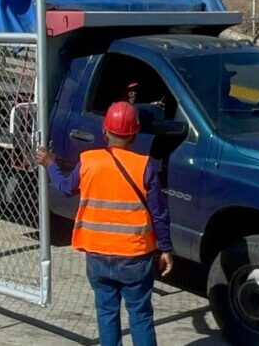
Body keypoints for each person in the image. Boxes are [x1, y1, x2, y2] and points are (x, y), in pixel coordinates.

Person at [36, 101, 173, 346]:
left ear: (105, 130)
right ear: (135, 133)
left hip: (98, 255)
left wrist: (49, 164)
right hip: (135, 256)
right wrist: (165, 249)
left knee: (107, 315)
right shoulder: (144, 166)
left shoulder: (89, 161)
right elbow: (159, 214)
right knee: (140, 317)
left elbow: (66, 188)